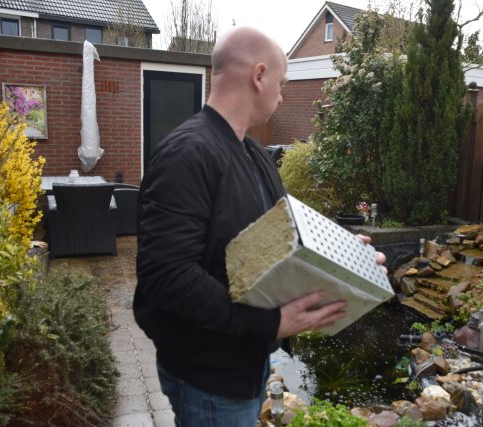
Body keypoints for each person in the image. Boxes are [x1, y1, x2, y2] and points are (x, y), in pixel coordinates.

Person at [134, 27, 385, 427]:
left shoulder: (254, 155)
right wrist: (271, 324)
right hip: (208, 377)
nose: (282, 95)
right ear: (260, 75)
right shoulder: (187, 155)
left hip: (246, 362)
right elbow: (167, 277)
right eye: (282, 84)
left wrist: (344, 250)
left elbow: (280, 237)